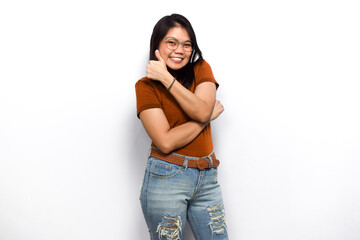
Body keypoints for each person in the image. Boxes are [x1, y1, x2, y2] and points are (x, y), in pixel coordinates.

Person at [135, 13, 228, 240]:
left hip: (207, 178)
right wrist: (206, 118)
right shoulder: (145, 87)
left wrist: (168, 79)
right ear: (157, 45)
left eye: (187, 44)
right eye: (171, 42)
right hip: (166, 177)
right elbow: (165, 142)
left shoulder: (201, 69)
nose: (180, 50)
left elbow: (201, 110)